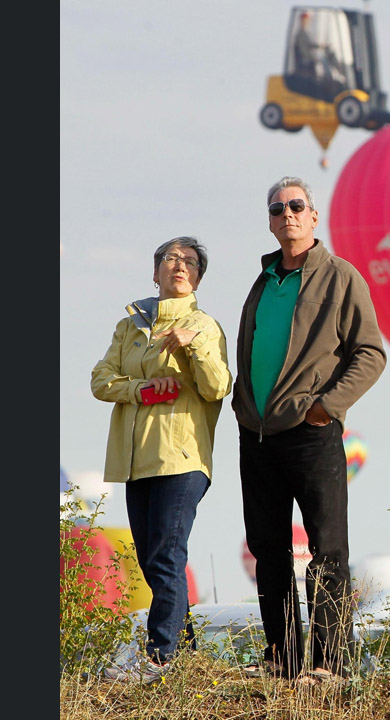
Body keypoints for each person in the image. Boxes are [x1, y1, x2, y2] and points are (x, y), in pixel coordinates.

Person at [232, 177, 386, 684]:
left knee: (326, 546)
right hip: (256, 436)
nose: (287, 215)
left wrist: (326, 406)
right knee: (268, 548)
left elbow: (370, 353)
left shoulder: (341, 277)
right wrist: (242, 406)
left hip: (311, 433)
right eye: (277, 209)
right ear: (270, 220)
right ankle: (282, 657)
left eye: (296, 206)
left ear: (314, 216)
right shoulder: (262, 282)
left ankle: (329, 663)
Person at [92, 236, 233, 683]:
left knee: (167, 555)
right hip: (136, 460)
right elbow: (101, 379)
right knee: (154, 559)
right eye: (171, 259)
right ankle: (188, 659)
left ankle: (160, 655)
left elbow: (217, 387)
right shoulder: (129, 325)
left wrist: (191, 345)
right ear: (154, 273)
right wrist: (141, 390)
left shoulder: (204, 325)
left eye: (190, 262)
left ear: (198, 278)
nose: (179, 266)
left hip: (181, 456)